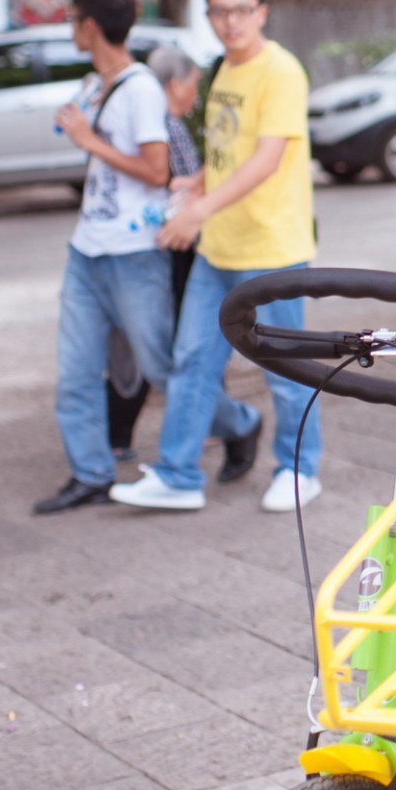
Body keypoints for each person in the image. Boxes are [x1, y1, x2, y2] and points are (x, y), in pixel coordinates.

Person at [113, 0, 324, 513]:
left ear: (262, 12)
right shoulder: (223, 70)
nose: (231, 22)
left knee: (286, 370)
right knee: (192, 364)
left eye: (240, 10)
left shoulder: (280, 71)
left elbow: (267, 158)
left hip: (272, 248)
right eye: (219, 12)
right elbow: (231, 149)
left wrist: (197, 211)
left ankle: (299, 469)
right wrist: (198, 182)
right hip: (219, 248)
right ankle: (179, 476)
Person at [32, 0, 174, 514]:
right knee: (75, 373)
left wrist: (90, 141)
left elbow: (157, 171)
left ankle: (238, 424)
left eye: (72, 19)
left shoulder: (141, 89)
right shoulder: (97, 82)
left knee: (160, 368)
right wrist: (78, 125)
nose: (71, 28)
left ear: (90, 26)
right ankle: (91, 473)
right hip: (87, 248)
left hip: (134, 253)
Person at [103, 46, 263, 479]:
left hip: (166, 245)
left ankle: (148, 441)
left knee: (175, 349)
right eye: (193, 84)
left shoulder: (156, 121)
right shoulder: (165, 125)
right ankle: (214, 427)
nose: (195, 93)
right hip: (172, 247)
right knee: (179, 349)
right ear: (176, 84)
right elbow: (178, 183)